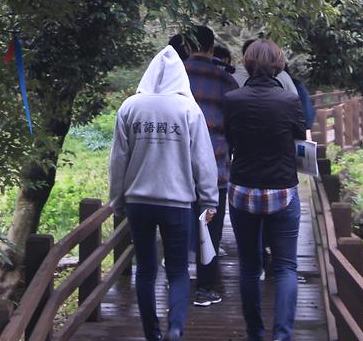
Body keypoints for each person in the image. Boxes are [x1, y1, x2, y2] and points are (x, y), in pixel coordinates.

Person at [109, 46, 218, 341]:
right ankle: (175, 328)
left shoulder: (130, 107)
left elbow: (118, 159)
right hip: (177, 202)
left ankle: (151, 334)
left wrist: (116, 200)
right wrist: (209, 199)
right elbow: (203, 159)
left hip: (138, 202)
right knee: (179, 270)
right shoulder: (188, 109)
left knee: (145, 270)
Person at [224, 39, 307, 341]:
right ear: (277, 65)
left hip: (242, 189)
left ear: (247, 64)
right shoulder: (288, 100)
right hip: (281, 189)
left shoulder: (232, 99)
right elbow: (300, 134)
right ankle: (282, 336)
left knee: (249, 267)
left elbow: (230, 139)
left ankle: (255, 334)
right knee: (285, 267)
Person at [183, 25, 239, 307]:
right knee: (211, 229)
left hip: (177, 168)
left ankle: (177, 281)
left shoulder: (175, 76)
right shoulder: (225, 80)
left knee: (178, 227)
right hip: (215, 167)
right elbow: (235, 124)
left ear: (186, 46)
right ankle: (205, 288)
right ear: (211, 47)